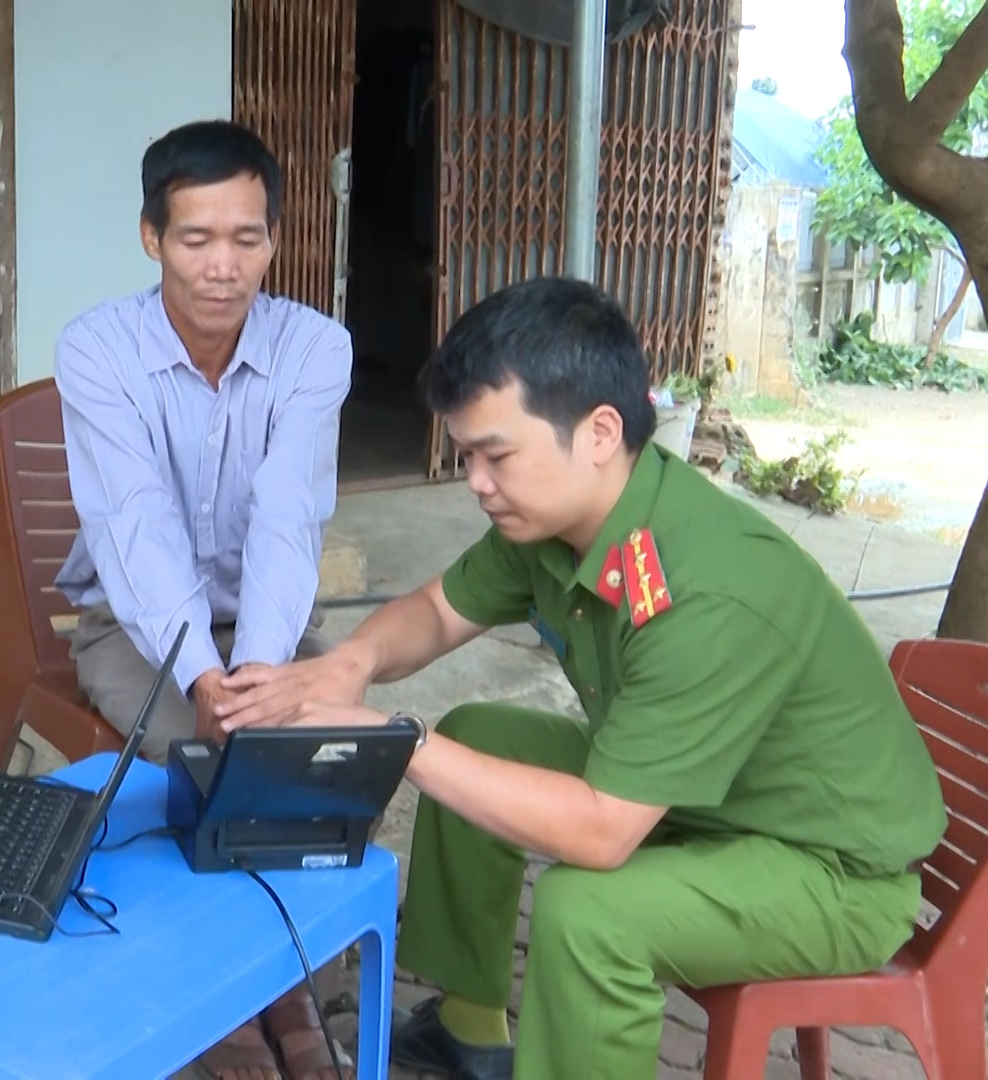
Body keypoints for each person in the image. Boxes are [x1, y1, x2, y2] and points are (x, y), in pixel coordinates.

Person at [214, 276, 948, 1079]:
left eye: (496, 455)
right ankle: (470, 1031)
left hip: (827, 869)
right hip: (706, 802)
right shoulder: (556, 520)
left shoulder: (710, 588)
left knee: (586, 911)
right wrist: (344, 669)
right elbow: (437, 609)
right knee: (479, 737)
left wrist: (396, 741)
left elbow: (601, 833)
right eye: (466, 455)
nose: (475, 482)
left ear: (600, 431)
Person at [53, 118, 355, 1080]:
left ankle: (284, 986)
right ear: (152, 238)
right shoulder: (97, 348)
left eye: (247, 238)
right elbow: (135, 528)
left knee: (303, 756)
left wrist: (260, 676)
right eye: (195, 239)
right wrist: (207, 679)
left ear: (274, 236)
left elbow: (284, 520)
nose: (223, 267)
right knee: (196, 755)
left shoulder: (316, 348)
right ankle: (229, 1004)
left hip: (266, 619)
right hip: (136, 624)